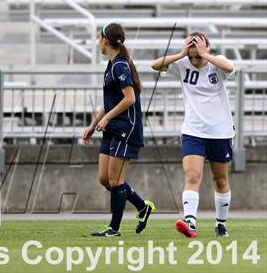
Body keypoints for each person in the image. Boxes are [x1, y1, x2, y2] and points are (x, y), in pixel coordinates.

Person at [151, 32, 234, 238]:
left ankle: (221, 223)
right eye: (192, 55)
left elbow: (230, 68)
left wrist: (205, 54)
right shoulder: (182, 64)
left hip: (220, 131)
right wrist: (181, 53)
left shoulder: (217, 63)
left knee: (220, 179)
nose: (195, 60)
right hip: (193, 131)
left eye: (198, 55)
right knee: (192, 175)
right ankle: (190, 222)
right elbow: (155, 65)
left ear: (207, 49)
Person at [82, 22, 155, 237]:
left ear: (105, 40)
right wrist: (93, 125)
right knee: (104, 179)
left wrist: (107, 118)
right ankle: (142, 206)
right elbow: (111, 101)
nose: (97, 42)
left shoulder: (120, 65)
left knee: (115, 180)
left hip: (126, 128)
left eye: (99, 38)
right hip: (112, 128)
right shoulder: (112, 64)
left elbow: (129, 98)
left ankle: (114, 228)